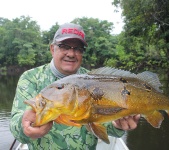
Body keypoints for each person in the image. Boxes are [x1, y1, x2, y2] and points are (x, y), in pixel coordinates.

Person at [10, 23, 140, 149]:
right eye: (64, 46)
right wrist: (24, 127)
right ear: (52, 49)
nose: (71, 54)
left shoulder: (95, 81)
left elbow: (105, 126)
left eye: (78, 49)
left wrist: (118, 125)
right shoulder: (30, 78)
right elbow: (16, 127)